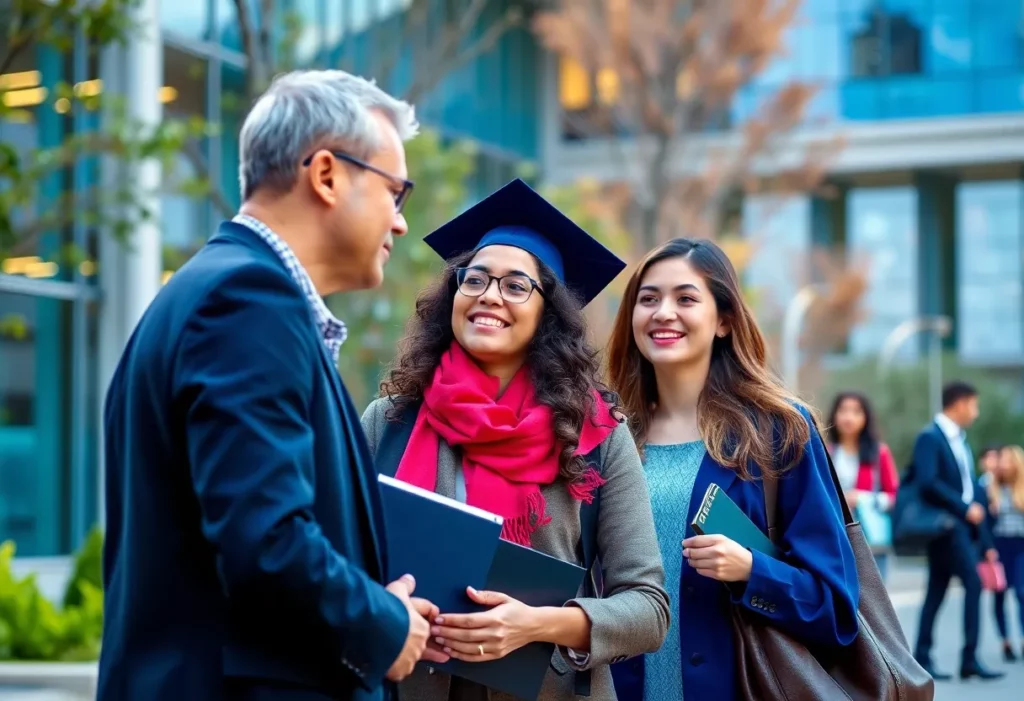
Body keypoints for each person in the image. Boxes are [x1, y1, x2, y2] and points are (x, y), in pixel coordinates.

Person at [98, 70, 444, 700]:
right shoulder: (246, 301)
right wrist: (383, 624)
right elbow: (267, 540)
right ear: (326, 174)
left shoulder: (212, 289)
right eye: (396, 192)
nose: (399, 224)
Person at [361, 179, 670, 701]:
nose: (489, 296)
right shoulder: (389, 422)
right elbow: (340, 561)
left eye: (515, 285)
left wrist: (538, 624)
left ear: (548, 312)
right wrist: (384, 606)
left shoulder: (595, 435)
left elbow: (648, 607)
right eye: (474, 279)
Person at [604, 238, 859, 701]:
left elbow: (836, 609)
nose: (663, 312)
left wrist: (751, 570)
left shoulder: (779, 432)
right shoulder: (605, 433)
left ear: (723, 320)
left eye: (685, 298)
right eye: (648, 298)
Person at [910, 380, 1004, 681]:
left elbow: (971, 488)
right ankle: (968, 659)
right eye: (974, 406)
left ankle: (922, 658)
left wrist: (985, 538)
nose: (975, 413)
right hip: (946, 526)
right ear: (960, 403)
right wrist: (964, 509)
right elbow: (927, 481)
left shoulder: (960, 440)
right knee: (973, 584)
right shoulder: (930, 437)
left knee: (936, 589)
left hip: (961, 526)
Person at [825, 391, 899, 581]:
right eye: (843, 410)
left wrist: (863, 498)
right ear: (835, 415)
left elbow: (893, 495)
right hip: (835, 535)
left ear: (866, 417)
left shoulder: (878, 453)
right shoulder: (826, 452)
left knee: (873, 599)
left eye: (856, 411)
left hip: (870, 538)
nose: (849, 417)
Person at [987, 445, 1024, 662]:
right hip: (999, 546)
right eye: (1001, 460)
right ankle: (1005, 641)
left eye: (1008, 460)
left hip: (1021, 544)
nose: (1003, 464)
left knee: (1021, 592)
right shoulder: (991, 488)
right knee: (999, 594)